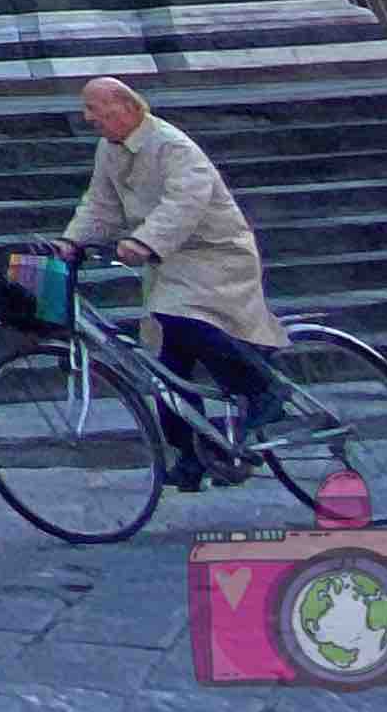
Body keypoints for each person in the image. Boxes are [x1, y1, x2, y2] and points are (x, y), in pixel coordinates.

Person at [60, 75, 288, 488]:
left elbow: (185, 202)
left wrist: (144, 241)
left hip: (215, 255)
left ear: (125, 106)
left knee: (183, 320)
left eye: (94, 108)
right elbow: (100, 204)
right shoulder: (110, 151)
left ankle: (263, 390)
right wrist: (71, 241)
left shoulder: (172, 145)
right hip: (170, 263)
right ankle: (193, 451)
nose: (87, 117)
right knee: (165, 364)